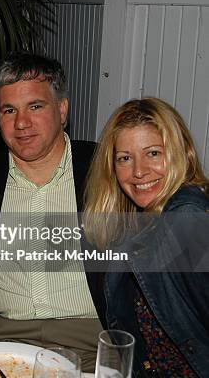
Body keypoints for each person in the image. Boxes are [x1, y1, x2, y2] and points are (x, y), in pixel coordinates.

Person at [0, 52, 103, 371]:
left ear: (62, 110)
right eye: (9, 110)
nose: (21, 123)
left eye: (35, 106)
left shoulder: (105, 169)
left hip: (90, 339)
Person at [83, 97, 209, 377]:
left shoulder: (189, 221)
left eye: (153, 153)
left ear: (183, 153)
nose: (139, 171)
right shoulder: (134, 224)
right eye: (125, 158)